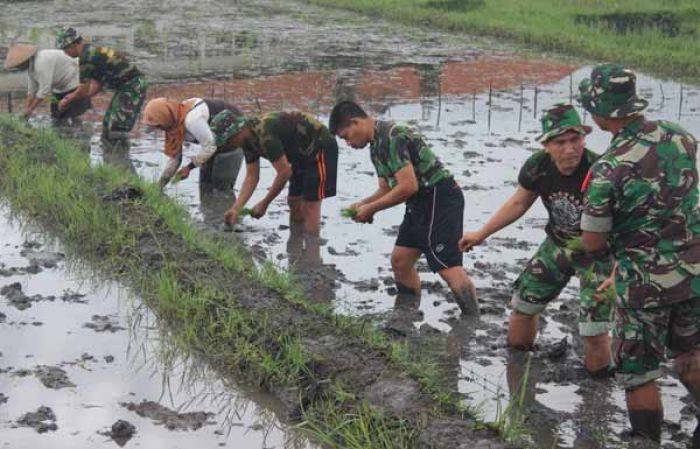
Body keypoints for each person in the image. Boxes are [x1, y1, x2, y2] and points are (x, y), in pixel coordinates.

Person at [578, 63, 700, 446]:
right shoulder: (682, 137)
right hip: (694, 271)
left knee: (639, 371)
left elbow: (593, 243)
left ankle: (647, 439)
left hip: (643, 286)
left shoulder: (608, 169)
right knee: (691, 351)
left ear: (599, 115)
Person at [459, 103, 613, 375]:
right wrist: (481, 233)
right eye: (560, 142)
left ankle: (598, 389)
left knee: (593, 329)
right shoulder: (537, 167)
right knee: (522, 305)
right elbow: (519, 203)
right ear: (546, 145)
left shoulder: (601, 171)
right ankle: (518, 370)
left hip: (598, 254)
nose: (569, 149)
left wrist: (619, 267)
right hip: (558, 244)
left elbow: (627, 224)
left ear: (584, 138)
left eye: (575, 139)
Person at [328, 100, 478, 316]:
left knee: (447, 266)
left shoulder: (393, 136)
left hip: (439, 197)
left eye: (346, 137)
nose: (347, 143)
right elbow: (386, 188)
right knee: (400, 261)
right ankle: (407, 315)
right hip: (418, 201)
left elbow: (408, 186)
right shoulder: (375, 146)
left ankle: (472, 320)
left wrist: (372, 209)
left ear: (356, 122)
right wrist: (363, 204)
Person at [211, 110, 338, 236]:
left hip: (320, 146)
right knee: (294, 202)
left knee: (310, 205)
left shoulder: (265, 133)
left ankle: (312, 249)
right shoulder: (247, 141)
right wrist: (236, 208)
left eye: (228, 140)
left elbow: (284, 172)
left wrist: (264, 203)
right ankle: (297, 243)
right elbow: (252, 176)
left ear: (238, 130)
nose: (229, 145)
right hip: (299, 155)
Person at [55, 27, 147, 140]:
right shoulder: (92, 50)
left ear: (72, 45)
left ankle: (119, 155)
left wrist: (66, 101)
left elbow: (83, 89)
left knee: (117, 127)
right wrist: (78, 97)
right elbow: (97, 84)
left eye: (65, 49)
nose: (66, 53)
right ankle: (110, 154)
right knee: (107, 123)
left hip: (132, 86)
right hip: (126, 86)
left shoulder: (86, 58)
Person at [142, 97, 244, 189]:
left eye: (159, 126)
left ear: (165, 117)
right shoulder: (173, 124)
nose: (160, 130)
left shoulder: (192, 120)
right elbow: (175, 158)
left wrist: (189, 167)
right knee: (205, 186)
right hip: (212, 144)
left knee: (221, 190)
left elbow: (210, 147)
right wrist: (160, 185)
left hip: (233, 141)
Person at [3, 43, 90, 120]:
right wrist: (26, 109)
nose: (19, 68)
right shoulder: (31, 68)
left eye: (19, 65)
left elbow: (44, 90)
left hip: (73, 81)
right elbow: (32, 91)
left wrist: (31, 109)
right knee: (56, 116)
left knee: (73, 116)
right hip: (59, 86)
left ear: (24, 61)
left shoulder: (40, 63)